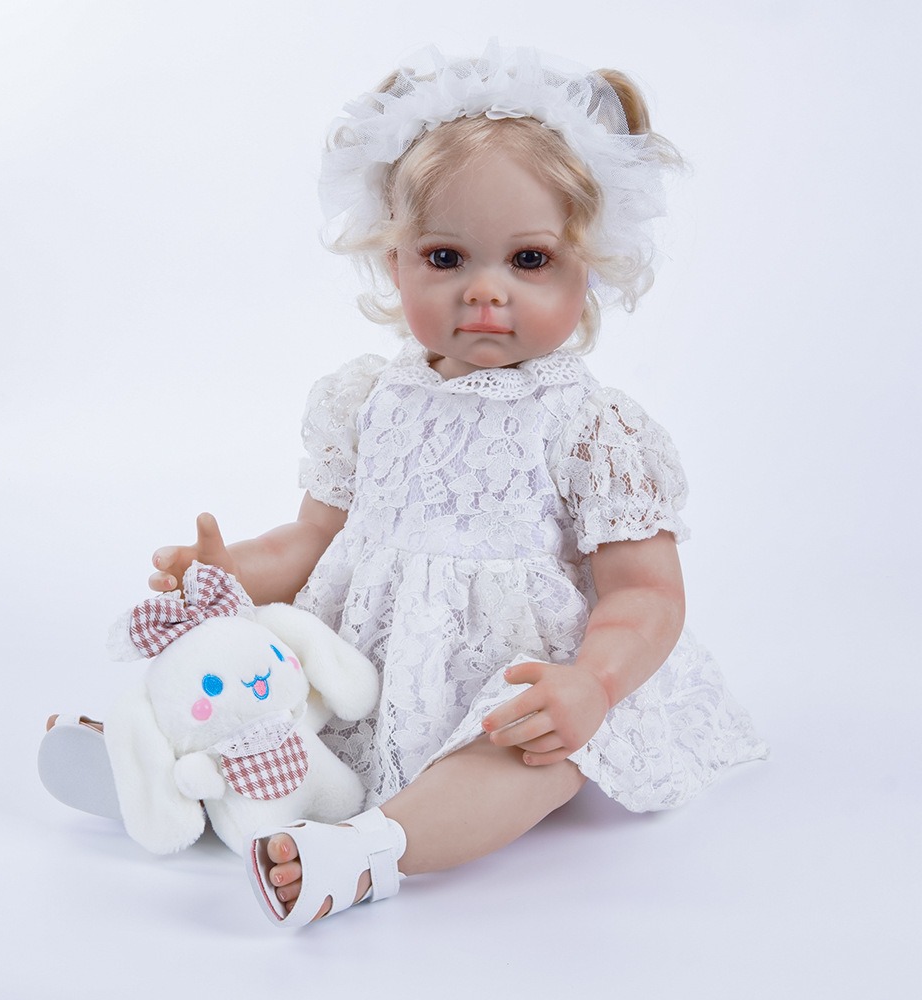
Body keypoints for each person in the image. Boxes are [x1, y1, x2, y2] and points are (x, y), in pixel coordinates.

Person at [41, 43, 767, 928]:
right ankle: (164, 772)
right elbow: (314, 539)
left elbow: (646, 592)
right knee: (261, 665)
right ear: (396, 263)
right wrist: (231, 571)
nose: (485, 293)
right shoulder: (367, 400)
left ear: (590, 266)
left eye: (529, 260)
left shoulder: (591, 428)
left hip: (528, 679)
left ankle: (365, 852)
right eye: (447, 257)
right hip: (369, 663)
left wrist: (594, 685)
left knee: (533, 756)